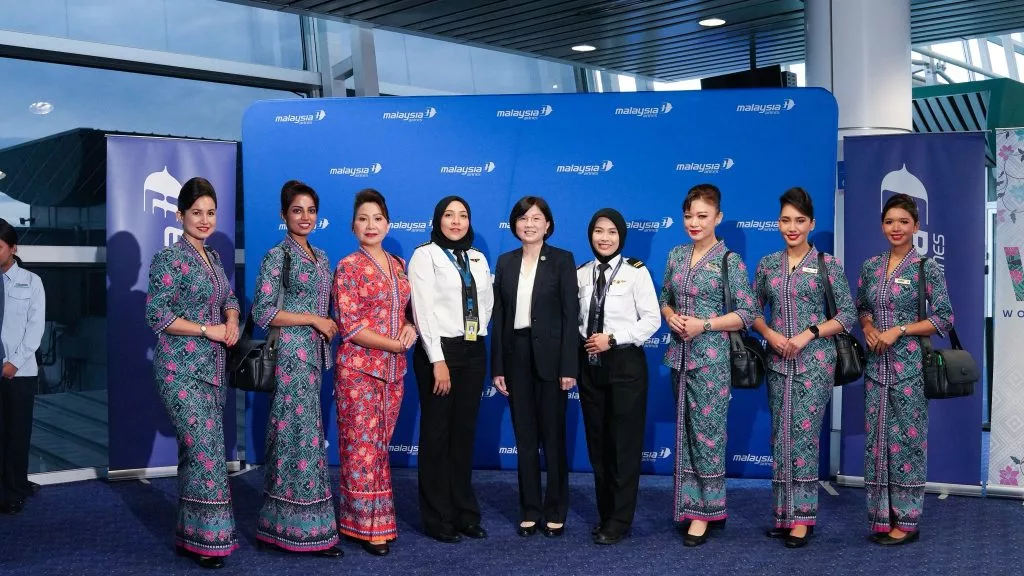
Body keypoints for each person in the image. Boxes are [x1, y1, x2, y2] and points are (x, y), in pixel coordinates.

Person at [751, 188, 855, 548]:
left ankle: (803, 519)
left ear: (811, 223)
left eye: (799, 221)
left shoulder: (827, 264)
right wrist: (770, 334)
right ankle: (784, 515)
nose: (791, 227)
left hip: (815, 365)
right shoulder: (767, 265)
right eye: (785, 220)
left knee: (804, 439)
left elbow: (847, 315)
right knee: (780, 437)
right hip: (777, 363)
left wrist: (809, 333)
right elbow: (751, 311)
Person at [145, 177, 240, 569]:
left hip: (213, 370)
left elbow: (229, 297)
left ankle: (188, 535)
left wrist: (231, 319)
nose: (204, 220)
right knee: (206, 452)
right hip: (179, 370)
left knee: (195, 454)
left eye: (211, 213)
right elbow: (157, 315)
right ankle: (208, 541)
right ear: (179, 214)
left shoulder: (214, 257)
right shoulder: (168, 259)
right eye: (196, 212)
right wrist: (207, 329)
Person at [659, 183, 758, 547]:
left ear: (718, 217)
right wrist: (670, 316)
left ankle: (707, 512)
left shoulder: (729, 261)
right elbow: (665, 298)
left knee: (708, 436)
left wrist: (705, 324)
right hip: (679, 359)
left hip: (712, 362)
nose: (694, 223)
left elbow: (747, 313)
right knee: (685, 434)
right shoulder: (676, 255)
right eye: (689, 216)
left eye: (702, 216)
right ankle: (690, 506)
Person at [856, 193, 953, 546]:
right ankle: (882, 516)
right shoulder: (871, 266)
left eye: (903, 221)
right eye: (889, 221)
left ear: (916, 226)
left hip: (909, 368)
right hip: (875, 369)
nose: (895, 228)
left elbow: (944, 318)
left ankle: (908, 520)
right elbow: (862, 306)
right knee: (877, 443)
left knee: (908, 444)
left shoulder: (927, 268)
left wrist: (900, 329)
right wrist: (868, 327)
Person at [250, 181, 342, 558]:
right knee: (294, 440)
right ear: (283, 214)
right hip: (290, 357)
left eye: (311, 211)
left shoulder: (322, 257)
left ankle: (290, 527)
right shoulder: (278, 256)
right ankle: (293, 530)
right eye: (297, 210)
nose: (305, 217)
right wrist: (314, 319)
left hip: (315, 360)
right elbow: (262, 312)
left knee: (306, 439)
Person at [332, 188, 417, 556]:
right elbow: (350, 327)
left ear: (388, 224)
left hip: (394, 373)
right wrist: (393, 345)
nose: (371, 225)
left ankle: (372, 522)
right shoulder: (348, 266)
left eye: (377, 218)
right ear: (353, 227)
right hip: (359, 371)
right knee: (361, 450)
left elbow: (407, 313)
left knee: (379, 450)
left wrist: (410, 329)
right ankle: (366, 527)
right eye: (363, 219)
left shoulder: (398, 264)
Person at [491, 196, 579, 538]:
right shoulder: (506, 262)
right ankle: (529, 508)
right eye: (523, 218)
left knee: (553, 438)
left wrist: (569, 366)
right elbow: (499, 318)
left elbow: (571, 316)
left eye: (536, 218)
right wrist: (498, 366)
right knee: (525, 437)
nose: (529, 224)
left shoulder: (562, 260)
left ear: (548, 224)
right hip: (516, 356)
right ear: (515, 224)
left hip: (552, 360)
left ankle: (555, 509)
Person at [408, 196, 494, 543]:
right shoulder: (424, 255)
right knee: (437, 436)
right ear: (437, 220)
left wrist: (475, 334)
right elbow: (423, 310)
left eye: (463, 215)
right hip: (439, 352)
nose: (456, 221)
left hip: (473, 351)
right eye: (449, 215)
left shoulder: (477, 257)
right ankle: (437, 518)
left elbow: (486, 302)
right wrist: (437, 359)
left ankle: (464, 514)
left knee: (463, 436)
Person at [576, 208, 660, 545]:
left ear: (621, 236)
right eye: (599, 231)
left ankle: (620, 520)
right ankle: (605, 513)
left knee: (623, 445)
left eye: (612, 232)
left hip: (625, 365)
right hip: (590, 365)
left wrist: (612, 339)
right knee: (598, 444)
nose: (605, 238)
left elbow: (652, 319)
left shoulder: (636, 272)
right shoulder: (581, 273)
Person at [0, 219, 45, 516]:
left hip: (19, 372)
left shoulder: (31, 282)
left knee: (17, 433)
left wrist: (14, 363)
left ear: (13, 248)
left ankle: (14, 489)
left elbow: (35, 328)